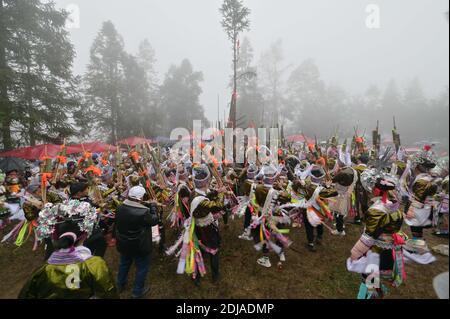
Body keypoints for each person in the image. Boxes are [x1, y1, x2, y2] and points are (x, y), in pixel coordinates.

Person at [18, 200, 118, 299]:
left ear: (55, 236)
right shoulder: (95, 265)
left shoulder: (43, 270)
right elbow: (108, 293)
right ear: (85, 235)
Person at [115, 186, 160, 299]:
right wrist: (153, 206)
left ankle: (120, 284)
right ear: (140, 198)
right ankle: (137, 291)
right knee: (142, 267)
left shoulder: (120, 207)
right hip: (139, 245)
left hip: (124, 242)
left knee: (124, 263)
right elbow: (154, 220)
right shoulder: (143, 212)